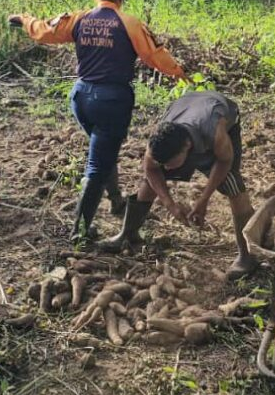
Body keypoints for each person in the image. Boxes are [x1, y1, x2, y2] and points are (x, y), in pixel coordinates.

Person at [8, 0, 187, 247]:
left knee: (103, 149)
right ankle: (78, 232)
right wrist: (180, 73)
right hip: (112, 101)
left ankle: (115, 199)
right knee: (97, 163)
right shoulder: (130, 23)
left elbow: (44, 31)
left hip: (81, 98)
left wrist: (23, 20)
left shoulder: (78, 19)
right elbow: (155, 56)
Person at [100, 90, 258, 280]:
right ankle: (127, 234)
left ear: (187, 148)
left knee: (233, 184)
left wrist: (203, 200)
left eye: (169, 164)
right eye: (163, 163)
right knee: (148, 184)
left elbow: (224, 161)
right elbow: (151, 170)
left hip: (217, 112)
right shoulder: (160, 140)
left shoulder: (215, 132)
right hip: (187, 107)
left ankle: (247, 255)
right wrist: (170, 205)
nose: (166, 168)